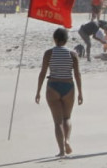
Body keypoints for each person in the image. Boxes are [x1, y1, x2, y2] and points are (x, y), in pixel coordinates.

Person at [35, 27, 83, 158]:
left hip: (53, 86)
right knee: (67, 118)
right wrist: (80, 92)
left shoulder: (49, 53)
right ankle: (67, 140)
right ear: (66, 40)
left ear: (55, 39)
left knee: (57, 122)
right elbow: (77, 74)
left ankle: (61, 151)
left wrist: (38, 91)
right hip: (68, 86)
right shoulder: (72, 54)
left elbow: (43, 73)